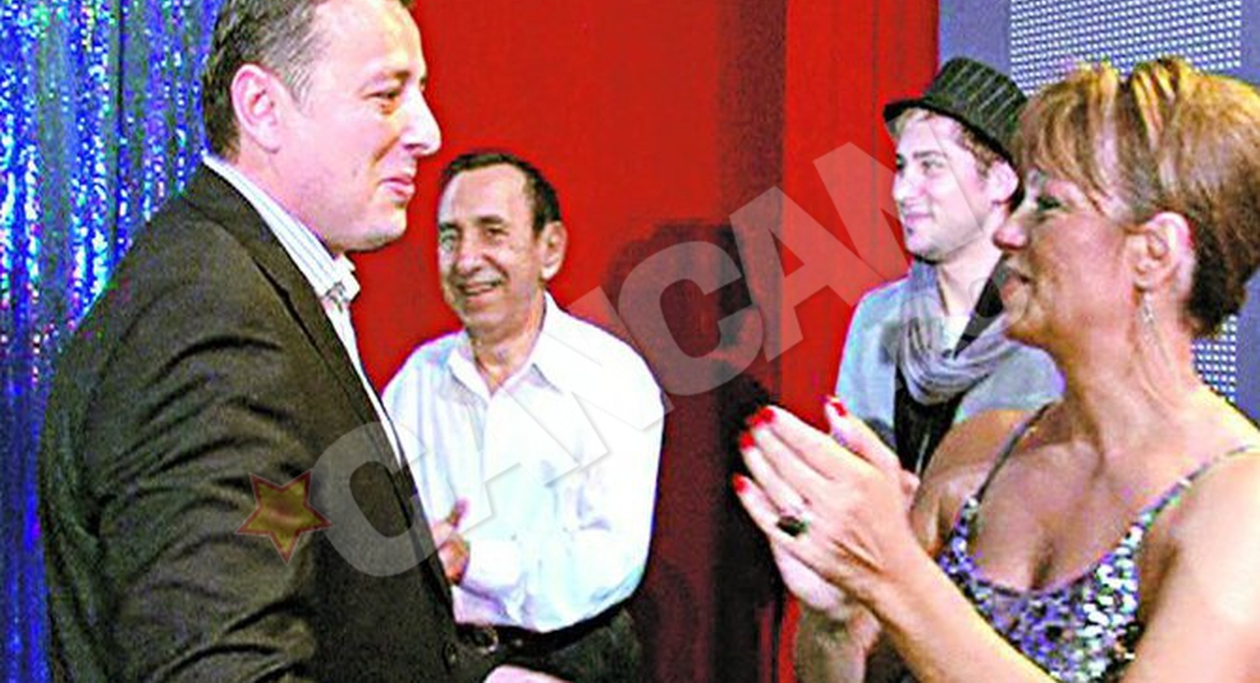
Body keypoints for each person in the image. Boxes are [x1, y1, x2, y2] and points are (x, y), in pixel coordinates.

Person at [38, 0, 549, 681]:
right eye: (386, 95)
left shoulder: (252, 286)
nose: (428, 132)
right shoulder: (208, 317)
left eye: (420, 92)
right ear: (262, 108)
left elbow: (286, 553)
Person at [736, 56, 1260, 682]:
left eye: (1048, 205)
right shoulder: (978, 452)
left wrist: (894, 575)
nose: (1010, 231)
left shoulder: (1236, 504)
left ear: (1154, 252)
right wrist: (839, 612)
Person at [383, 151, 665, 682]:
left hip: (566, 652)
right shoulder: (418, 380)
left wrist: (473, 561)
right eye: (450, 238)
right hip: (438, 651)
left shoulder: (610, 379)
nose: (466, 260)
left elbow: (610, 559)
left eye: (492, 233)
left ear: (549, 249)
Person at [838, 57, 1061, 474]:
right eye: (901, 167)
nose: (902, 191)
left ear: (1001, 181)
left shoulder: (1048, 331)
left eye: (931, 166)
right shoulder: (875, 318)